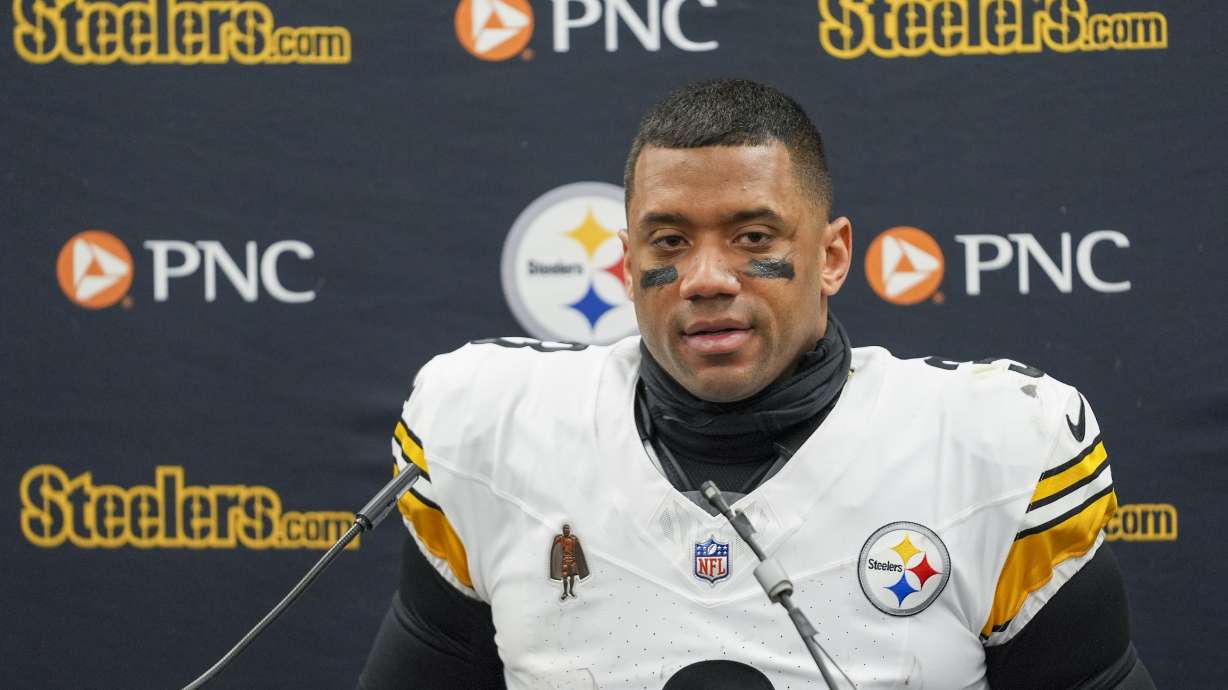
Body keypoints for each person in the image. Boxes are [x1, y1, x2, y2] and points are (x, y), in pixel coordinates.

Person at [358, 79, 1152, 689]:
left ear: (833, 256)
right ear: (627, 264)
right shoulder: (492, 429)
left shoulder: (992, 447)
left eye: (753, 237)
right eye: (669, 240)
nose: (706, 278)